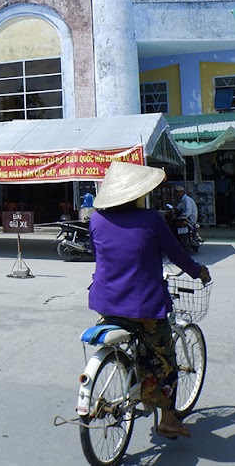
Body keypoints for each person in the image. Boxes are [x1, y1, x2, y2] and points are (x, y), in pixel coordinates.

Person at [88, 162, 211, 440]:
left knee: (133, 345)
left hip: (106, 302)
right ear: (136, 193)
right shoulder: (152, 220)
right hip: (145, 307)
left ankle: (136, 384)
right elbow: (177, 254)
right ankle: (168, 419)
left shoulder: (95, 220)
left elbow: (104, 256)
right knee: (164, 359)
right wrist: (198, 271)